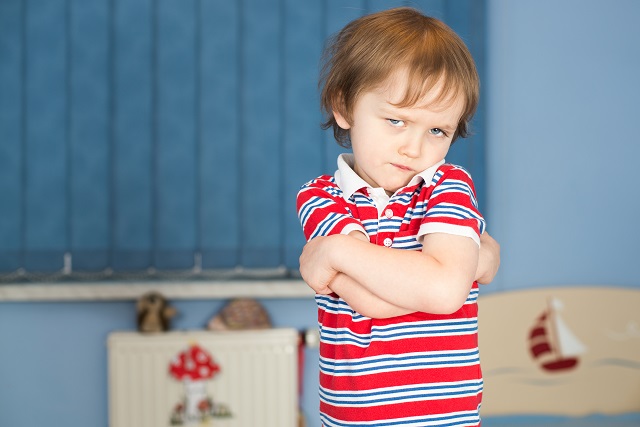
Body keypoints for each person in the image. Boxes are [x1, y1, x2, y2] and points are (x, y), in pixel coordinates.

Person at [296, 7, 500, 427]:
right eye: (396, 120)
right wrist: (464, 265)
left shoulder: (449, 185)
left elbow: (443, 291)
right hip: (356, 418)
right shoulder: (319, 196)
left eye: (437, 131)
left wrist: (336, 251)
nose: (414, 147)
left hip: (447, 419)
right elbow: (371, 302)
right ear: (344, 106)